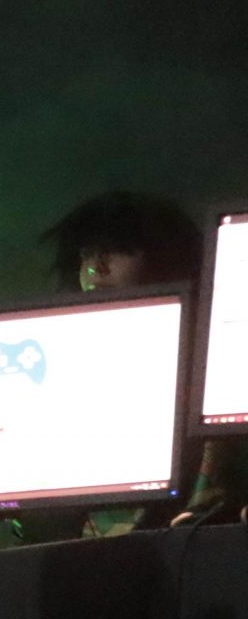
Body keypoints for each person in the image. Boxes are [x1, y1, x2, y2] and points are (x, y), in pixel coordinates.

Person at [34, 191, 242, 530]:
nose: (95, 268)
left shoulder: (219, 367)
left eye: (117, 250)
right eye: (86, 254)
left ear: (167, 256)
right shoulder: (74, 373)